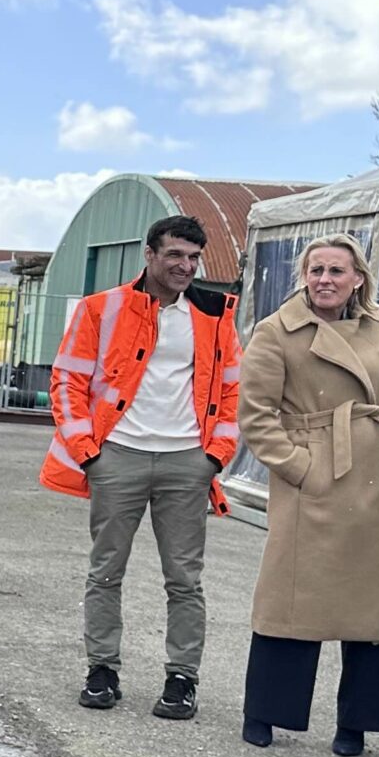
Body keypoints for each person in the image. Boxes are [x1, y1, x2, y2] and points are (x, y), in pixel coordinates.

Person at [236, 235, 379, 753]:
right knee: (290, 599)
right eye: (316, 269)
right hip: (314, 471)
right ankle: (266, 712)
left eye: (336, 271)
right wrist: (300, 467)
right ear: (304, 275)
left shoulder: (377, 325)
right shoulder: (276, 331)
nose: (325, 279)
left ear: (358, 278)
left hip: (371, 472)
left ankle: (357, 723)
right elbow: (256, 415)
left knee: (373, 603)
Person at [40, 216, 242, 722]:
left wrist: (214, 457)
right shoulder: (100, 309)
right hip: (118, 456)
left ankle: (182, 679)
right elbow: (66, 381)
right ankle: (102, 671)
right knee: (106, 571)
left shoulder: (214, 315)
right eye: (175, 255)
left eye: (193, 258)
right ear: (149, 255)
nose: (185, 266)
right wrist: (88, 451)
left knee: (185, 579)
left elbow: (233, 390)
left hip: (186, 462)